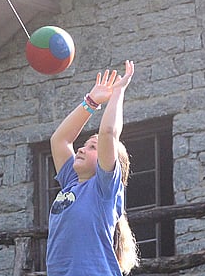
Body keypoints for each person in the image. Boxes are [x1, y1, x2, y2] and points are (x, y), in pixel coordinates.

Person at [46, 60, 139, 275]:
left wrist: (118, 92)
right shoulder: (71, 182)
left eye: (93, 147)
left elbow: (108, 132)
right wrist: (91, 101)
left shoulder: (103, 189)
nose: (81, 149)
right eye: (85, 144)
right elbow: (59, 140)